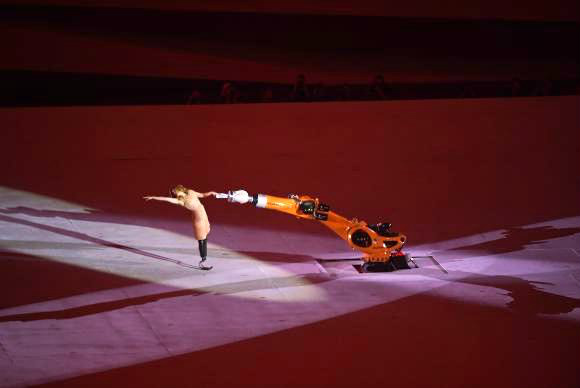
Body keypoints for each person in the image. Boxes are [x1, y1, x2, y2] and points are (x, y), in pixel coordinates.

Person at [144, 185, 217, 270]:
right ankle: (203, 259)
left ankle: (203, 259)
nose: (174, 193)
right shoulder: (181, 201)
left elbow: (203, 195)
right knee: (202, 239)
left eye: (174, 191)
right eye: (173, 193)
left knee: (207, 231)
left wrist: (211, 193)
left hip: (204, 216)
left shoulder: (191, 192)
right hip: (199, 220)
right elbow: (167, 199)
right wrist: (154, 197)